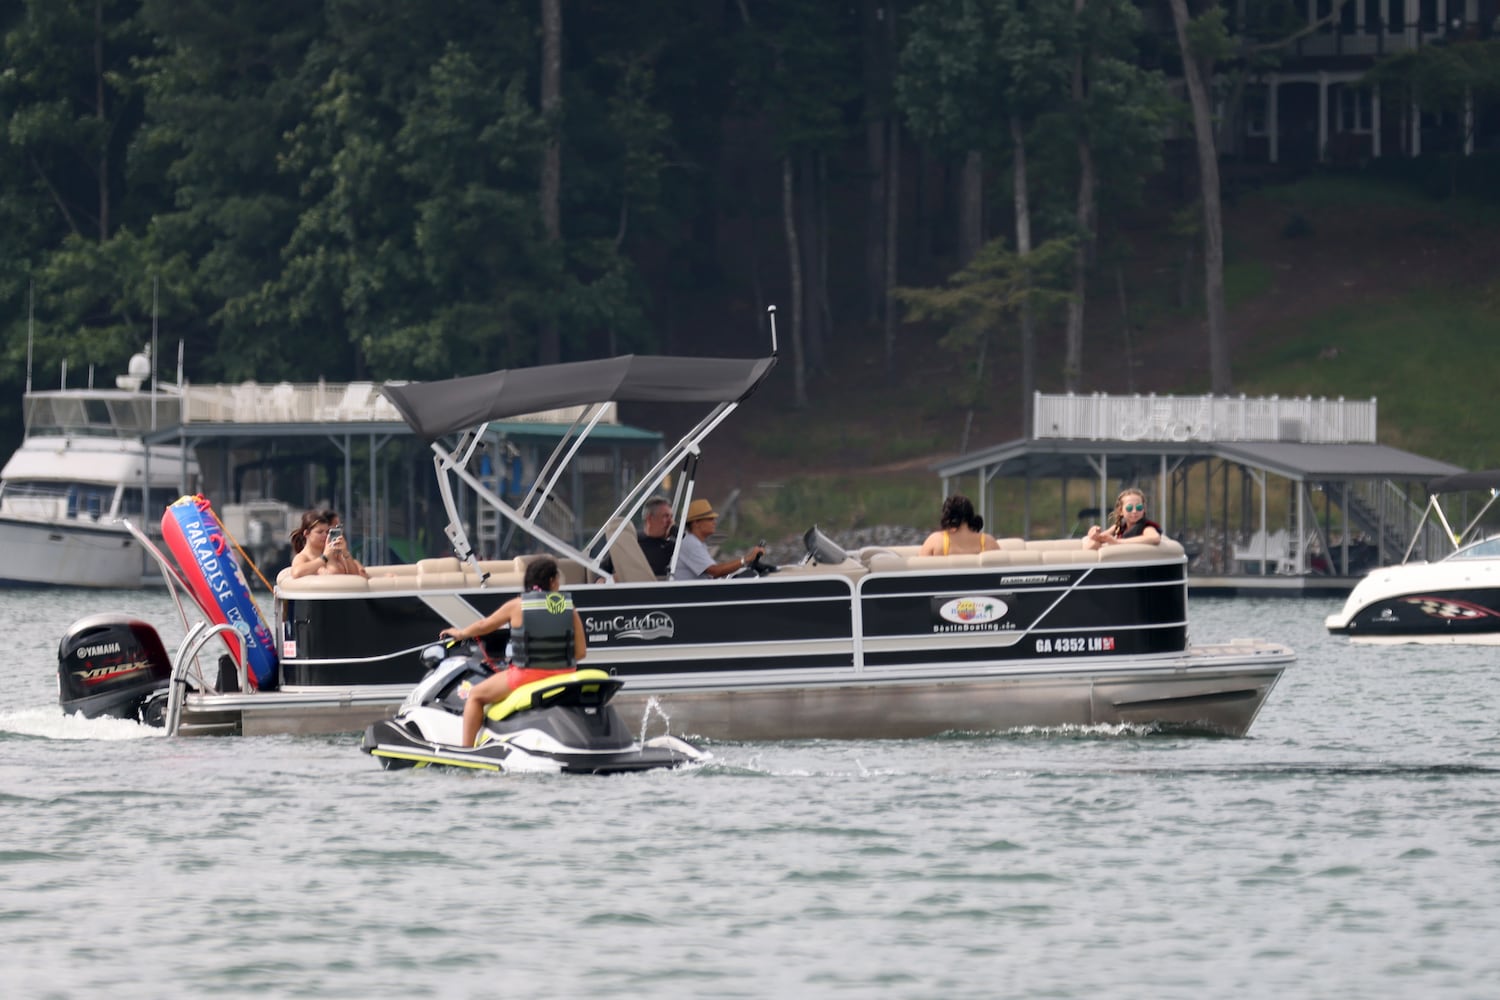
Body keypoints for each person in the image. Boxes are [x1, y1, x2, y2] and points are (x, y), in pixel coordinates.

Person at [439, 556, 586, 748]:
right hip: (564, 675)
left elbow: (484, 625)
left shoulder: (517, 605)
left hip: (527, 676)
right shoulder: (569, 607)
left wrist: (460, 633)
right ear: (551, 581)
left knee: (475, 695)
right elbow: (581, 652)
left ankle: (466, 749)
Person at [672, 498, 766, 580]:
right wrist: (747, 559)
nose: (714, 522)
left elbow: (714, 573)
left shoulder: (696, 543)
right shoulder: (690, 544)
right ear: (696, 523)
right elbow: (716, 571)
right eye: (710, 519)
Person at [600, 495, 676, 578]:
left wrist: (676, 532)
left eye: (671, 517)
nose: (670, 521)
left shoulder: (673, 547)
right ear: (650, 519)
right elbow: (603, 568)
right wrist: (600, 579)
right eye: (665, 516)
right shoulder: (630, 542)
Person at [288, 509, 366, 578]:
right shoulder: (303, 557)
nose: (325, 535)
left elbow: (356, 577)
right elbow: (296, 572)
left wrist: (345, 552)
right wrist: (324, 558)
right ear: (306, 533)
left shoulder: (335, 554)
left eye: (327, 532)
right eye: (320, 532)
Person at [919, 495, 999, 556]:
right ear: (971, 516)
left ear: (946, 517)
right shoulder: (989, 542)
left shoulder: (935, 541)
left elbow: (919, 570)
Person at [1084, 489, 1162, 550]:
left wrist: (1118, 542)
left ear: (1144, 509)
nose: (1134, 511)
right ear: (1121, 511)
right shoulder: (1118, 527)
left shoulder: (1147, 527)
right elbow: (1093, 544)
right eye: (1129, 508)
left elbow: (1154, 538)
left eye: (1139, 507)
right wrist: (1093, 534)